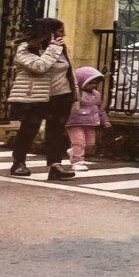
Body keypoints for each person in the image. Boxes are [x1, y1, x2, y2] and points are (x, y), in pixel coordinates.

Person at [8, 17, 77, 179]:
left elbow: (68, 70)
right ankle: (18, 162)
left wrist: (74, 94)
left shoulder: (60, 47)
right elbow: (39, 67)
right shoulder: (25, 48)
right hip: (36, 96)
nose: (63, 35)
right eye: (59, 31)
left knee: (56, 132)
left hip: (61, 95)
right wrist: (53, 48)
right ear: (47, 32)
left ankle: (55, 166)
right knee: (29, 129)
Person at [66, 65, 109, 172]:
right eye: (90, 83)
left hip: (90, 122)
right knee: (79, 142)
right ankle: (77, 161)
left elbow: (100, 108)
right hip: (75, 122)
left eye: (95, 83)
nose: (93, 85)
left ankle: (73, 152)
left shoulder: (96, 94)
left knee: (90, 143)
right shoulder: (76, 93)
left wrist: (105, 120)